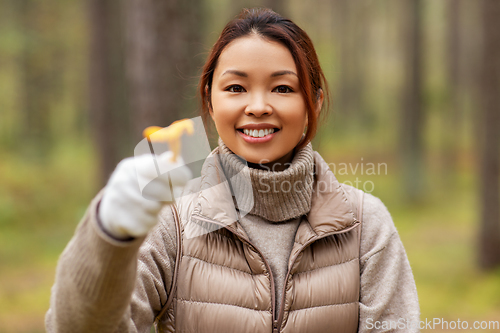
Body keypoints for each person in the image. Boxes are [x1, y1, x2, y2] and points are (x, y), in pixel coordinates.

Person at [46, 8, 419, 333]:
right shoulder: (171, 220)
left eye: (283, 89)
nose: (257, 106)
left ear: (314, 102)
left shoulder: (366, 225)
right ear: (209, 99)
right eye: (236, 87)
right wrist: (109, 235)